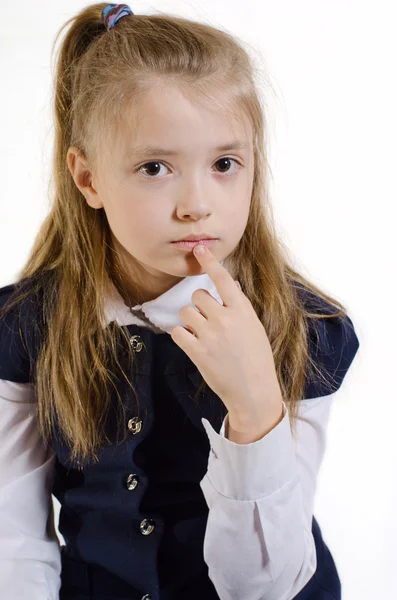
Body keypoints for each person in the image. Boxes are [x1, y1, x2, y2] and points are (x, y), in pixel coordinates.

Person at [0, 3, 360, 600]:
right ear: (87, 179)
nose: (197, 204)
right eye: (155, 167)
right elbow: (14, 538)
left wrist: (254, 409)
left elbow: (265, 586)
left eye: (224, 164)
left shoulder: (307, 328)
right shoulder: (27, 325)